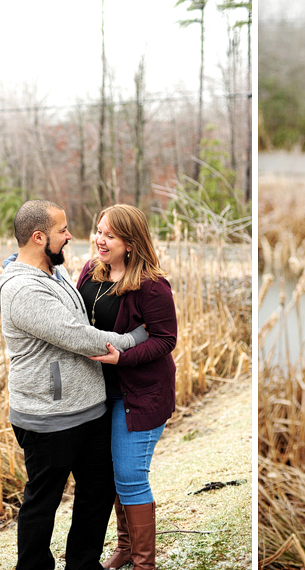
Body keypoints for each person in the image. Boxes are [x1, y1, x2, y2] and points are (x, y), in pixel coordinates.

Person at [0, 199, 148, 570]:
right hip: (48, 418)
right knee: (43, 500)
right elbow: (79, 336)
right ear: (38, 236)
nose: (70, 236)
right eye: (63, 230)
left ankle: (83, 564)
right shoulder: (22, 290)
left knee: (96, 492)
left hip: (88, 410)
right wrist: (134, 337)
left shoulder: (51, 269)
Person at [79, 204, 177, 570]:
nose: (100, 240)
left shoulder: (152, 286)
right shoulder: (90, 270)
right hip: (99, 393)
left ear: (130, 244)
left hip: (141, 394)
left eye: (110, 235)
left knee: (131, 475)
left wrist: (123, 358)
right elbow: (78, 318)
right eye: (99, 230)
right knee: (113, 473)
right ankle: (124, 548)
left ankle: (144, 564)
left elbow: (166, 340)